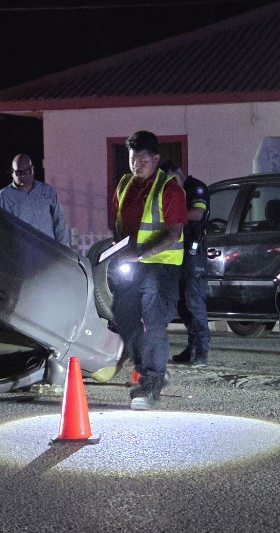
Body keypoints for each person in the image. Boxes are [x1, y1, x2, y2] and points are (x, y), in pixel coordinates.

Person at [109, 131, 187, 410]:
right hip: (131, 266)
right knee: (123, 317)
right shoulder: (124, 185)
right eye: (132, 160)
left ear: (155, 159)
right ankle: (152, 371)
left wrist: (141, 253)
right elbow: (118, 223)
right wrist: (117, 248)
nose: (136, 166)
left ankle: (151, 383)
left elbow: (174, 233)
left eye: (142, 161)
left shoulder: (170, 189)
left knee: (153, 325)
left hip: (161, 266)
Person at [162, 161, 211, 367]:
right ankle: (192, 348)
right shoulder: (170, 191)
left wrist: (171, 217)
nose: (171, 183)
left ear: (180, 172)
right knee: (182, 305)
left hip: (193, 252)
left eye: (173, 178)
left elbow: (197, 214)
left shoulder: (195, 188)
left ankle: (202, 351)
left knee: (194, 302)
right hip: (177, 253)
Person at [0, 154, 72, 247]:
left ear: (32, 169)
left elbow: (59, 220)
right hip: (22, 252)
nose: (23, 175)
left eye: (26, 171)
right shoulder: (3, 197)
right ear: (12, 173)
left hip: (49, 251)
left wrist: (63, 249)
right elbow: (0, 229)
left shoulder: (47, 191)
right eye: (18, 172)